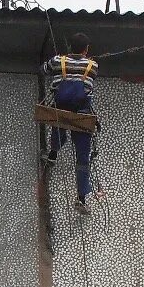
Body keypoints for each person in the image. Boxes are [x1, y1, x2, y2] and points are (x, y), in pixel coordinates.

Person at [40, 33, 99, 215]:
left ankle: (52, 155)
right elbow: (90, 82)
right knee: (83, 157)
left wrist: (58, 63)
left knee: (58, 130)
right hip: (82, 114)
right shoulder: (92, 66)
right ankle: (81, 198)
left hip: (61, 109)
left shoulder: (58, 60)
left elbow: (43, 69)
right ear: (86, 49)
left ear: (69, 46)